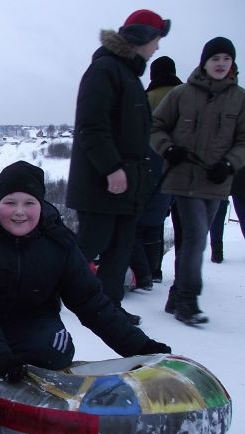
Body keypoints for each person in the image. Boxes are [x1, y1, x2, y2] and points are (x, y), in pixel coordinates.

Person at [0, 161, 172, 388]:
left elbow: (91, 303)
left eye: (29, 203)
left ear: (41, 204)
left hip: (35, 327)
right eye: (10, 202)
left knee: (50, 354)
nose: (19, 211)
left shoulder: (59, 241)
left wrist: (141, 348)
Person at [66, 9, 170, 326]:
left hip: (128, 185)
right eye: (156, 40)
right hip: (102, 184)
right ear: (142, 38)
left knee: (120, 249)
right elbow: (91, 126)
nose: (157, 47)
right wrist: (111, 167)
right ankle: (44, 298)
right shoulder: (105, 70)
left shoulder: (129, 75)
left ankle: (109, 308)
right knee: (89, 246)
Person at [151, 37, 245, 325]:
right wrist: (168, 148)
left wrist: (229, 164)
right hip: (183, 178)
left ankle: (176, 295)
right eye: (215, 58)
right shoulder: (182, 94)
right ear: (204, 62)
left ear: (232, 63)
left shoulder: (240, 98)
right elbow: (155, 126)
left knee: (194, 238)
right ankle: (187, 300)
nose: (221, 63)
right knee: (195, 237)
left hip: (217, 182)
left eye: (226, 59)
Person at [130, 56, 183, 287]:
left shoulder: (146, 98)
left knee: (146, 223)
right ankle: (181, 274)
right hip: (184, 170)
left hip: (152, 166)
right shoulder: (186, 96)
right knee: (182, 226)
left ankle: (151, 272)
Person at [209, 166, 245, 263]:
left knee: (217, 214)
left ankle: (216, 252)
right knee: (243, 212)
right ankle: (216, 252)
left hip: (220, 171)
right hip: (240, 170)